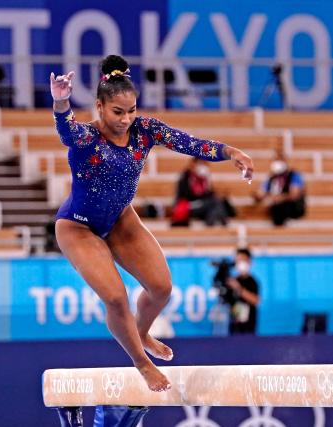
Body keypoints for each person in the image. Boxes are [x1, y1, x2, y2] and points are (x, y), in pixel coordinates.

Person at [50, 55, 253, 392]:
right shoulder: (86, 138)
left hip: (119, 219)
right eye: (118, 112)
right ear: (99, 107)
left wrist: (231, 152)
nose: (127, 118)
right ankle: (141, 362)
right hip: (77, 226)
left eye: (131, 110)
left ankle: (141, 333)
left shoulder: (145, 129)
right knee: (116, 298)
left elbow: (190, 143)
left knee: (161, 288)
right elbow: (65, 128)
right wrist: (61, 101)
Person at [170, 158, 234, 227]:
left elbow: (208, 194)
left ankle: (211, 223)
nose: (202, 167)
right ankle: (221, 222)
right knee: (215, 202)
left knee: (215, 203)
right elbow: (187, 195)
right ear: (193, 164)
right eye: (200, 164)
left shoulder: (204, 179)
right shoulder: (186, 177)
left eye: (204, 164)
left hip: (203, 205)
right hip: (189, 205)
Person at [253, 150, 305, 226]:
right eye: (275, 160)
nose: (277, 163)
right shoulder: (271, 178)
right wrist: (258, 196)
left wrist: (280, 198)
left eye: (279, 160)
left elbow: (294, 195)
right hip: (277, 209)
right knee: (275, 210)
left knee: (280, 209)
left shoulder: (294, 175)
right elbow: (262, 192)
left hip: (292, 208)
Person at [225, 248, 260, 334]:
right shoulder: (233, 280)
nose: (240, 263)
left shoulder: (252, 281)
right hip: (235, 326)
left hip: (248, 328)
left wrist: (239, 289)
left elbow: (256, 300)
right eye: (238, 260)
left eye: (242, 260)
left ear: (249, 261)